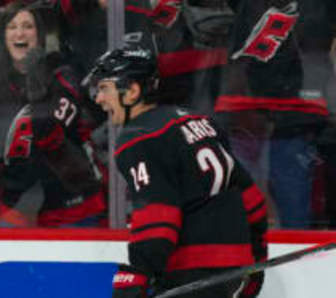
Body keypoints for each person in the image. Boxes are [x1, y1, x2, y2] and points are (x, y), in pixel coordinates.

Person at [84, 46, 267, 297]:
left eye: (105, 88)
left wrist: (138, 272)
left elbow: (157, 216)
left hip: (192, 269)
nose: (99, 98)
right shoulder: (199, 121)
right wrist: (256, 254)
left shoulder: (138, 138)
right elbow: (251, 196)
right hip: (233, 266)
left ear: (132, 91)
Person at [0, 2, 108, 227]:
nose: (19, 32)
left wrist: (35, 80)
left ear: (39, 34)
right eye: (12, 27)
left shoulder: (62, 72)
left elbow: (51, 129)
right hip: (17, 205)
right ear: (3, 36)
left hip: (72, 204)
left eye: (27, 26)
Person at [214, 0, 336, 229]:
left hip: (293, 113)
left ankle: (299, 261)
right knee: (239, 201)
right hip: (246, 109)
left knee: (292, 204)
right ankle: (241, 254)